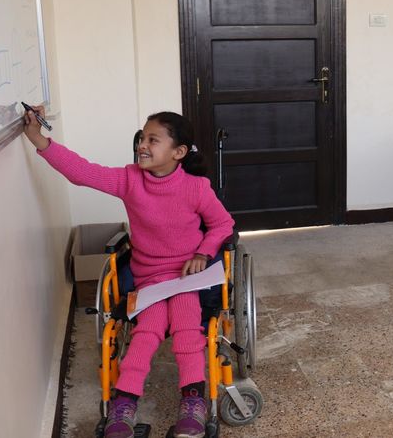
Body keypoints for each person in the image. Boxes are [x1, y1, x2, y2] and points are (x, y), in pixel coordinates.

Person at [23, 108, 234, 438]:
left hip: (186, 278)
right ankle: (123, 405)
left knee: (186, 329)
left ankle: (193, 402)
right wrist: (38, 138)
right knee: (145, 333)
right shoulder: (129, 179)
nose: (142, 145)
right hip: (149, 278)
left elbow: (222, 224)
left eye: (153, 140)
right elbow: (82, 172)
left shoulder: (196, 187)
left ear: (178, 152)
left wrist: (202, 253)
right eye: (142, 138)